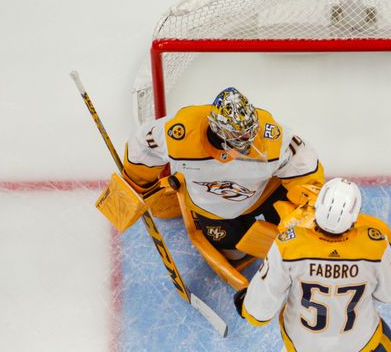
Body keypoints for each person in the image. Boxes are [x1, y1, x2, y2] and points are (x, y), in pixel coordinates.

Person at [234, 178, 391, 352]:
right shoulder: (375, 245)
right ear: (355, 216)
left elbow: (260, 307)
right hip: (356, 346)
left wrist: (249, 309)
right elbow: (389, 295)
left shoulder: (288, 244)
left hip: (303, 345)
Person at [121, 87, 324, 270]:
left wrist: (310, 199)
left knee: (298, 236)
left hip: (261, 195)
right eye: (241, 137)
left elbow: (302, 159)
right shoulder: (180, 133)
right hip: (212, 209)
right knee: (235, 255)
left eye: (251, 133)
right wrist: (138, 183)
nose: (251, 141)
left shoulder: (270, 136)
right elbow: (142, 145)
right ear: (220, 130)